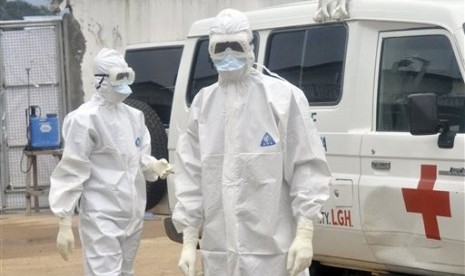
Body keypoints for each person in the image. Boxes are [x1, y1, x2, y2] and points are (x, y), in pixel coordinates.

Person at [172, 8, 331, 276]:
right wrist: (189, 240)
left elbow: (307, 168)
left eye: (236, 45)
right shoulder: (202, 104)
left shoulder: (282, 98)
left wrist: (305, 233)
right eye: (220, 47)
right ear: (210, 51)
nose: (228, 53)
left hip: (273, 254)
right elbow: (191, 175)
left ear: (250, 46)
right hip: (220, 252)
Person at [48, 48, 173, 275]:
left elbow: (138, 158)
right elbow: (72, 170)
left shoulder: (134, 117)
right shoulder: (85, 119)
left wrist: (153, 165)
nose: (124, 85)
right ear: (100, 80)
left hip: (133, 214)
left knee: (126, 271)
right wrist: (64, 220)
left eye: (127, 77)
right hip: (101, 217)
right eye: (118, 78)